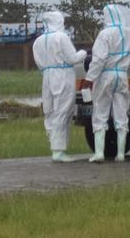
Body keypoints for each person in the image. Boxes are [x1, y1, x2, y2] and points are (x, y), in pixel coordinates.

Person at [80, 4, 130, 162]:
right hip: (122, 76)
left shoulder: (105, 34)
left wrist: (89, 79)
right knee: (121, 114)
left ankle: (99, 153)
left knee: (100, 113)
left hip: (105, 76)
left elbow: (99, 59)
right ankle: (121, 154)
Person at [32, 11, 87, 162]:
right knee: (63, 111)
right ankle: (58, 150)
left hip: (47, 76)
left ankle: (54, 144)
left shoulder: (39, 40)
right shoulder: (61, 37)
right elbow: (72, 58)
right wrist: (83, 53)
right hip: (63, 75)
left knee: (50, 111)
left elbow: (38, 63)